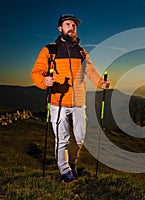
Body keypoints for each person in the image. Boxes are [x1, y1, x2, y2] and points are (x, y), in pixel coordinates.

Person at [31, 14, 110, 183]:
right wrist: (44, 81)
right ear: (60, 28)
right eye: (68, 24)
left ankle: (72, 162)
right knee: (62, 139)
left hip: (79, 102)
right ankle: (65, 170)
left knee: (80, 137)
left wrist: (100, 82)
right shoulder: (50, 50)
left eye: (74, 25)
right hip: (57, 102)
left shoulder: (81, 52)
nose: (72, 27)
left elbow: (91, 71)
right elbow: (36, 73)